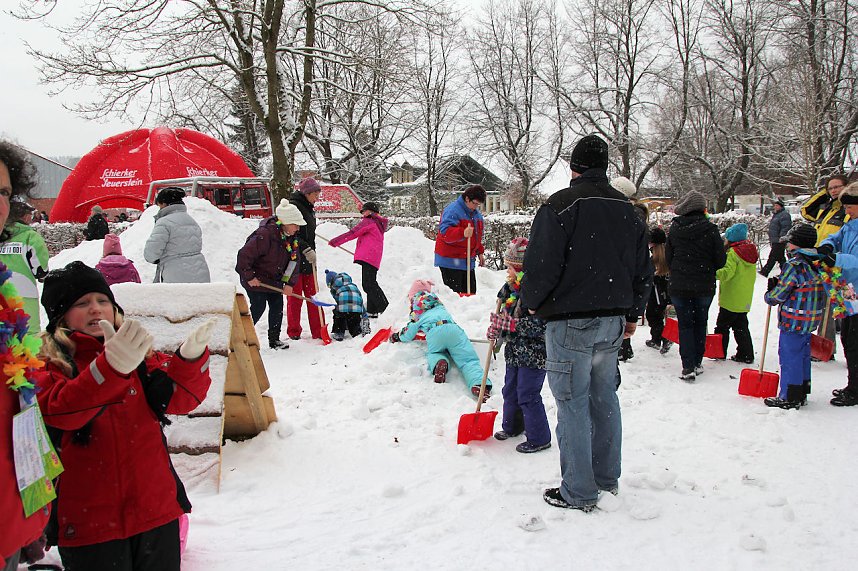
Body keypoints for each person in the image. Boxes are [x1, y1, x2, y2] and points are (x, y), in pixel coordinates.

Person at [34, 261, 215, 570]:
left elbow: (181, 399)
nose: (96, 309)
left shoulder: (138, 356)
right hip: (90, 524)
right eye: (82, 303)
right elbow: (64, 412)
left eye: (103, 300)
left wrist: (189, 358)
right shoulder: (49, 366)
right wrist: (110, 368)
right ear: (60, 315)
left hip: (155, 511)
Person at [520, 134, 652, 512]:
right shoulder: (628, 210)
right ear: (605, 167)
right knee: (603, 396)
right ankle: (606, 476)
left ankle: (579, 490)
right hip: (611, 321)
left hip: (569, 323)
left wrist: (530, 303)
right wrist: (630, 314)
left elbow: (542, 264)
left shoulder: (560, 206)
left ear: (573, 166)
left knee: (573, 402)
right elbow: (642, 270)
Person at [0, 139, 50, 571]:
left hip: (9, 516)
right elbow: (42, 268)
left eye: (1, 192)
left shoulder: (4, 299)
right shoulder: (30, 238)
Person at [487, 237, 551, 454]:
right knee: (510, 390)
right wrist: (497, 329)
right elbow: (502, 316)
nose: (507, 270)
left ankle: (539, 437)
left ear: (520, 267)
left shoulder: (537, 291)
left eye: (510, 266)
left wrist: (511, 325)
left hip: (535, 354)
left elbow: (542, 326)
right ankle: (513, 426)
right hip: (514, 352)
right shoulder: (508, 288)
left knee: (528, 393)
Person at [763, 224, 825, 409]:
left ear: (796, 245)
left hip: (794, 319)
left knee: (790, 356)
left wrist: (770, 294)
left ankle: (789, 395)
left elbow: (780, 294)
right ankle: (801, 390)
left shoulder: (794, 265)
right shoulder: (818, 262)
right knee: (803, 354)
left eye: (789, 243)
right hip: (811, 317)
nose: (787, 247)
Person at [666, 190, 727, 381]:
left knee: (685, 325)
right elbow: (720, 261)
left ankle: (688, 366)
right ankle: (697, 361)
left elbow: (669, 258)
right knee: (700, 322)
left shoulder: (675, 229)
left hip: (680, 286)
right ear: (702, 209)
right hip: (703, 286)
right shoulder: (711, 229)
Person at [390, 290, 492, 398]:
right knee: (467, 360)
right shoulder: (440, 308)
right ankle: (479, 384)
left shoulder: (419, 316)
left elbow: (408, 334)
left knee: (434, 353)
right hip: (453, 330)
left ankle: (439, 362)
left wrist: (397, 336)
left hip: (434, 333)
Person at [236, 199, 306, 349]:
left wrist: (288, 283)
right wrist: (249, 276)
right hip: (256, 279)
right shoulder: (265, 235)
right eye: (295, 224)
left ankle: (274, 340)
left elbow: (294, 262)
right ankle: (240, 337)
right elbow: (243, 257)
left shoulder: (291, 238)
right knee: (258, 307)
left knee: (277, 307)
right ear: (285, 222)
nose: (298, 228)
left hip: (274, 280)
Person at [818, 182, 858, 406]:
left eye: (850, 207)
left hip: (856, 289)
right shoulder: (850, 225)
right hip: (850, 290)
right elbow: (835, 238)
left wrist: (837, 259)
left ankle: (856, 389)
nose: (846, 211)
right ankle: (853, 384)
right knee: (848, 338)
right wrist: (826, 246)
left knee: (855, 341)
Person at [327, 201, 389, 318]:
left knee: (368, 284)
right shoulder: (377, 223)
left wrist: (336, 241)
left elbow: (353, 233)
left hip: (369, 257)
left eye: (364, 211)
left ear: (371, 212)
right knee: (370, 283)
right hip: (373, 257)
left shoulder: (369, 222)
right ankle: (372, 309)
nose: (362, 214)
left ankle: (385, 308)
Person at [0, 199, 49, 333]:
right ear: (23, 216)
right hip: (24, 293)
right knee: (28, 336)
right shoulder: (30, 237)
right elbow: (40, 269)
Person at [143, 187, 210, 283]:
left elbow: (151, 253)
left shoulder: (164, 222)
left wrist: (154, 259)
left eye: (159, 206)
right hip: (200, 271)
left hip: (176, 274)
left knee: (178, 297)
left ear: (164, 203)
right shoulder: (191, 220)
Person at [714, 223, 758, 363]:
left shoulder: (734, 253)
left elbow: (727, 273)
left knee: (722, 326)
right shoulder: (750, 252)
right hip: (744, 297)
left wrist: (712, 273)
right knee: (741, 327)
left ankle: (719, 352)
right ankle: (746, 354)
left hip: (731, 297)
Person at [286, 177, 322, 340]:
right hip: (293, 258)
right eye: (315, 193)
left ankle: (318, 330)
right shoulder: (294, 207)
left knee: (314, 296)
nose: (317, 197)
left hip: (308, 258)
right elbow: (289, 233)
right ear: (307, 193)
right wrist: (305, 247)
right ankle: (294, 331)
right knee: (295, 296)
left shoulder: (309, 207)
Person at [434, 184, 486, 294]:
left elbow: (475, 237)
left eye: (478, 204)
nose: (476, 207)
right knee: (456, 299)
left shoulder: (476, 215)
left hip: (467, 260)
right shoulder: (453, 211)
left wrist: (479, 251)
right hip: (451, 261)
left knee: (470, 296)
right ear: (467, 198)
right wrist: (462, 232)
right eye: (474, 203)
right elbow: (445, 233)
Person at [644, 227, 672, 354]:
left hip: (656, 294)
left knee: (652, 315)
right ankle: (659, 338)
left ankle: (661, 338)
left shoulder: (654, 258)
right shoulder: (668, 254)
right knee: (658, 315)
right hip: (666, 293)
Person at [324, 270, 367, 341]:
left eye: (329, 285)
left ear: (331, 282)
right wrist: (364, 315)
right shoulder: (353, 286)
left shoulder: (334, 288)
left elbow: (336, 302)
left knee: (338, 314)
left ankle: (339, 332)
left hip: (342, 309)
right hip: (356, 309)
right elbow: (360, 301)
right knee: (353, 321)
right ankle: (356, 332)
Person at [760, 199, 792, 276]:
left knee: (773, 256)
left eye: (777, 205)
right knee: (780, 258)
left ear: (781, 206)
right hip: (775, 239)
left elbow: (785, 227)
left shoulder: (784, 215)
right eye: (775, 205)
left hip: (779, 240)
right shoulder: (777, 215)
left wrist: (782, 237)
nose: (775, 207)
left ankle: (765, 272)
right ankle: (786, 272)